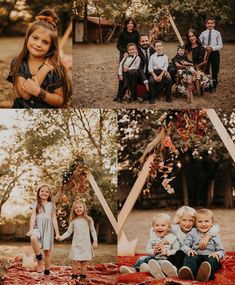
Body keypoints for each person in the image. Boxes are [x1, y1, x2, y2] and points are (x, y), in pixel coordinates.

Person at [7, 9, 72, 108]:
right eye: (35, 38)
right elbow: (25, 95)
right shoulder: (18, 62)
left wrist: (39, 92)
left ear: (51, 46)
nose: (38, 44)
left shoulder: (56, 68)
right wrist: (45, 69)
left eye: (45, 42)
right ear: (28, 37)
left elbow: (60, 100)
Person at [149, 206, 219, 272]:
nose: (187, 223)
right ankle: (174, 270)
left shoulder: (196, 229)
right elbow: (154, 228)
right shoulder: (175, 228)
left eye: (191, 220)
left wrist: (207, 236)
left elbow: (216, 226)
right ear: (179, 220)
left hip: (192, 256)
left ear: (195, 221)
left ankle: (194, 270)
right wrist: (156, 241)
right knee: (179, 253)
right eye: (184, 220)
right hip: (177, 256)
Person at [120, 213, 179, 280]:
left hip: (165, 259)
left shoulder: (173, 238)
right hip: (154, 258)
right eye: (157, 225)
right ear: (153, 227)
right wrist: (154, 251)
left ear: (169, 227)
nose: (159, 227)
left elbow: (176, 250)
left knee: (162, 263)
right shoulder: (153, 238)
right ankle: (135, 269)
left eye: (163, 225)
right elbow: (147, 250)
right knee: (142, 258)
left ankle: (168, 271)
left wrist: (167, 252)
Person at [58, 200, 98, 284]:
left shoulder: (88, 220)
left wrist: (95, 241)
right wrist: (61, 238)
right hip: (76, 245)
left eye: (80, 207)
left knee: (84, 262)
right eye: (76, 208)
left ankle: (83, 277)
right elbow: (69, 232)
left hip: (85, 245)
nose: (78, 209)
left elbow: (93, 231)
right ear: (74, 210)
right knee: (75, 261)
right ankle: (74, 277)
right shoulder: (73, 221)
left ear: (84, 208)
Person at [179, 209, 224, 282]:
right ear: (195, 224)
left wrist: (217, 253)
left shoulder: (214, 235)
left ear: (212, 223)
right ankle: (189, 273)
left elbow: (221, 250)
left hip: (209, 256)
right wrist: (188, 250)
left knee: (213, 259)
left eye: (206, 221)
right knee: (190, 256)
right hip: (197, 255)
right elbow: (184, 245)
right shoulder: (193, 232)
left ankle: (206, 275)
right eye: (200, 221)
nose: (203, 224)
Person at [26, 185, 60, 277]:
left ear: (49, 194)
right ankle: (39, 258)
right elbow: (33, 217)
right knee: (33, 238)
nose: (44, 193)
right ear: (38, 193)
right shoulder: (35, 203)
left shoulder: (52, 205)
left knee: (47, 252)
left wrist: (57, 233)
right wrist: (31, 229)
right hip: (37, 227)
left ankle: (47, 272)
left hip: (48, 229)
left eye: (46, 192)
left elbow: (54, 219)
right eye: (42, 191)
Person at [114, 17, 139, 102]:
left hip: (133, 55)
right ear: (126, 25)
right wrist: (124, 51)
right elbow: (118, 45)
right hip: (124, 55)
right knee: (123, 75)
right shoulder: (122, 34)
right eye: (128, 23)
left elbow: (137, 45)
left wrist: (136, 52)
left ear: (134, 24)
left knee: (132, 73)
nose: (130, 25)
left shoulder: (136, 33)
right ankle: (119, 95)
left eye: (132, 23)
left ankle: (131, 94)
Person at [199, 17, 223, 92]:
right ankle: (207, 85)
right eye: (208, 23)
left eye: (211, 23)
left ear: (214, 24)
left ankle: (214, 85)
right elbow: (199, 43)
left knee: (215, 69)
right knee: (206, 69)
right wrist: (206, 47)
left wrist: (212, 48)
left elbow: (220, 45)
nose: (210, 24)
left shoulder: (217, 33)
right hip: (205, 53)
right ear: (206, 24)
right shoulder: (203, 33)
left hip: (214, 53)